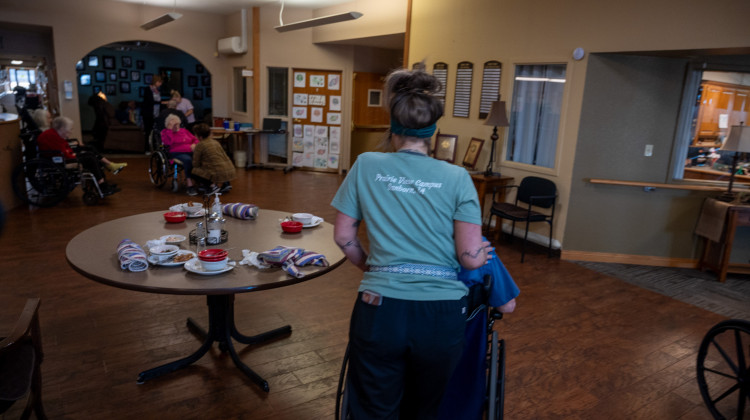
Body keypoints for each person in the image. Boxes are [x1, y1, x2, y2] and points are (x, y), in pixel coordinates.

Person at [330, 67, 492, 419]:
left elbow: (344, 236)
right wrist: (481, 254)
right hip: (441, 315)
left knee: (374, 408)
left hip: (379, 309)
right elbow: (468, 258)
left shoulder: (366, 164)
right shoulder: (458, 177)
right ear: (433, 131)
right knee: (424, 410)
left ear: (393, 126)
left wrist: (370, 265)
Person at [36, 116, 122, 195]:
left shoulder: (55, 134)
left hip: (60, 157)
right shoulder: (52, 137)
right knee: (90, 158)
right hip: (58, 160)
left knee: (90, 154)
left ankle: (103, 183)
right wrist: (75, 155)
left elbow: (66, 148)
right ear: (62, 128)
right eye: (69, 129)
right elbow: (63, 153)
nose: (70, 131)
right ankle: (102, 184)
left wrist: (73, 153)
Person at [190, 123, 235, 195]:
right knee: (219, 165)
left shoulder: (200, 145)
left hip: (217, 173)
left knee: (194, 171)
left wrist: (194, 151)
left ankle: (211, 187)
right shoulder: (215, 142)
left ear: (200, 137)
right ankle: (226, 184)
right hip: (230, 170)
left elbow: (196, 163)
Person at [161, 114, 199, 196]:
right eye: (174, 124)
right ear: (168, 125)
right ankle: (189, 184)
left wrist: (194, 144)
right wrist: (170, 130)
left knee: (202, 158)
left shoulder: (184, 131)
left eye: (177, 124)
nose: (176, 126)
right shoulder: (165, 132)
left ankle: (202, 180)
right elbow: (168, 143)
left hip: (191, 151)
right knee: (188, 160)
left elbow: (195, 139)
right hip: (177, 153)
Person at [142, 74, 163, 151]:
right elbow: (149, 101)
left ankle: (155, 148)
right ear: (155, 81)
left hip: (156, 114)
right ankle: (146, 149)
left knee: (155, 131)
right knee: (148, 131)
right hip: (148, 114)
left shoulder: (158, 91)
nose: (160, 84)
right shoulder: (148, 89)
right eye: (159, 82)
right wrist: (162, 102)